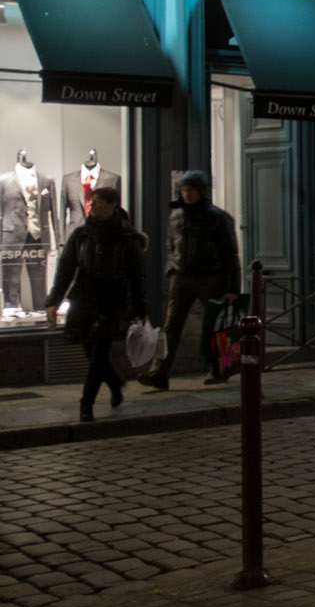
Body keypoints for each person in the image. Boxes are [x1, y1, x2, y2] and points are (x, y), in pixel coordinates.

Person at [45, 187, 147, 422]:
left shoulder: (126, 238)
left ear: (113, 206)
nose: (93, 206)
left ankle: (86, 403)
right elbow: (66, 268)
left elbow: (137, 276)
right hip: (84, 296)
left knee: (100, 348)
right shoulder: (81, 234)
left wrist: (141, 310)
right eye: (92, 202)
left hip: (112, 299)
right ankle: (114, 383)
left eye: (99, 202)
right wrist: (54, 301)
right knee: (89, 350)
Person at [138, 171, 242, 390]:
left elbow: (230, 254)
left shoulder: (218, 218)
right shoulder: (176, 216)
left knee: (218, 326)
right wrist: (172, 271)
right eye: (184, 190)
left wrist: (232, 287)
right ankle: (159, 372)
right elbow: (171, 244)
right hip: (182, 276)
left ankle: (222, 368)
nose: (187, 194)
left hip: (211, 277)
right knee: (170, 326)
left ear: (201, 191)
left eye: (191, 190)